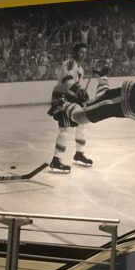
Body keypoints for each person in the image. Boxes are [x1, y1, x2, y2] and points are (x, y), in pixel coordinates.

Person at [49, 43, 92, 174]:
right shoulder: (71, 63)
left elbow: (73, 85)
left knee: (82, 123)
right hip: (62, 97)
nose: (83, 55)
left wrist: (80, 95)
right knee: (65, 128)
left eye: (85, 52)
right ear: (74, 52)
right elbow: (68, 80)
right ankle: (56, 160)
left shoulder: (80, 68)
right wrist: (80, 90)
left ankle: (79, 153)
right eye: (81, 52)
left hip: (69, 98)